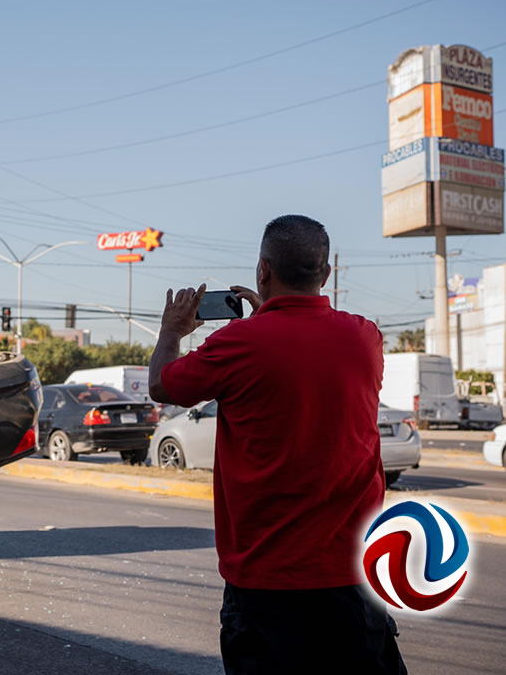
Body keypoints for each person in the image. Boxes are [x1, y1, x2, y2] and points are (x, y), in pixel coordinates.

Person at [147, 214, 406, 674]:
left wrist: (171, 331)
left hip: (265, 587)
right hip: (352, 583)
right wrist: (266, 318)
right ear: (325, 273)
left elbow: (162, 385)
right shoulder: (365, 337)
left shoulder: (236, 343)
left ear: (263, 270)